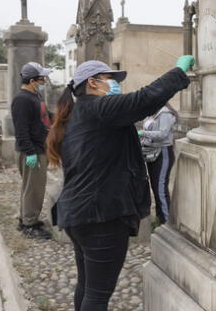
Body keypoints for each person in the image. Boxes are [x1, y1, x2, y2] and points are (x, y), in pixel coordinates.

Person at [46, 56, 194, 311]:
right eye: (109, 80)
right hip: (100, 216)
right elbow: (144, 99)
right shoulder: (96, 109)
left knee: (88, 286)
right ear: (92, 83)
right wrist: (179, 72)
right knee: (97, 294)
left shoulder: (80, 113)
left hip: (81, 215)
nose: (113, 86)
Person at [11, 62, 53, 239]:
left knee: (31, 187)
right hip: (32, 151)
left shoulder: (35, 96)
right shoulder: (22, 99)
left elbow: (44, 117)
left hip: (39, 147)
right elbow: (21, 130)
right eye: (42, 77)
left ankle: (25, 218)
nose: (44, 80)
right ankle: (30, 224)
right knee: (34, 188)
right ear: (32, 80)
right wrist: (30, 152)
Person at [138, 104, 178, 224]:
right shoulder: (153, 112)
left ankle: (167, 223)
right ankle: (160, 220)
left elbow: (162, 134)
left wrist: (142, 133)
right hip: (152, 153)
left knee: (161, 189)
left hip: (163, 152)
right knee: (155, 188)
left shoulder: (165, 113)